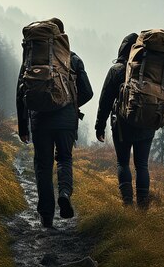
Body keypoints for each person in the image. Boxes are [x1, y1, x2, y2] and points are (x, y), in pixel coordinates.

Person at [17, 18, 93, 228]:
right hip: (66, 120)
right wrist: (70, 102)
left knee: (43, 166)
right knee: (64, 159)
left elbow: (21, 93)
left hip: (39, 121)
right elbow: (88, 92)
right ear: (61, 37)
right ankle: (65, 193)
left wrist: (23, 127)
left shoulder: (31, 60)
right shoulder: (73, 59)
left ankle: (46, 216)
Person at [94, 33, 155, 208]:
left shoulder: (116, 70)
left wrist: (100, 126)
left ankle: (127, 204)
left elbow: (105, 100)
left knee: (123, 162)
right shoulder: (150, 69)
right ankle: (143, 208)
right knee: (142, 165)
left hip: (122, 127)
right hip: (146, 125)